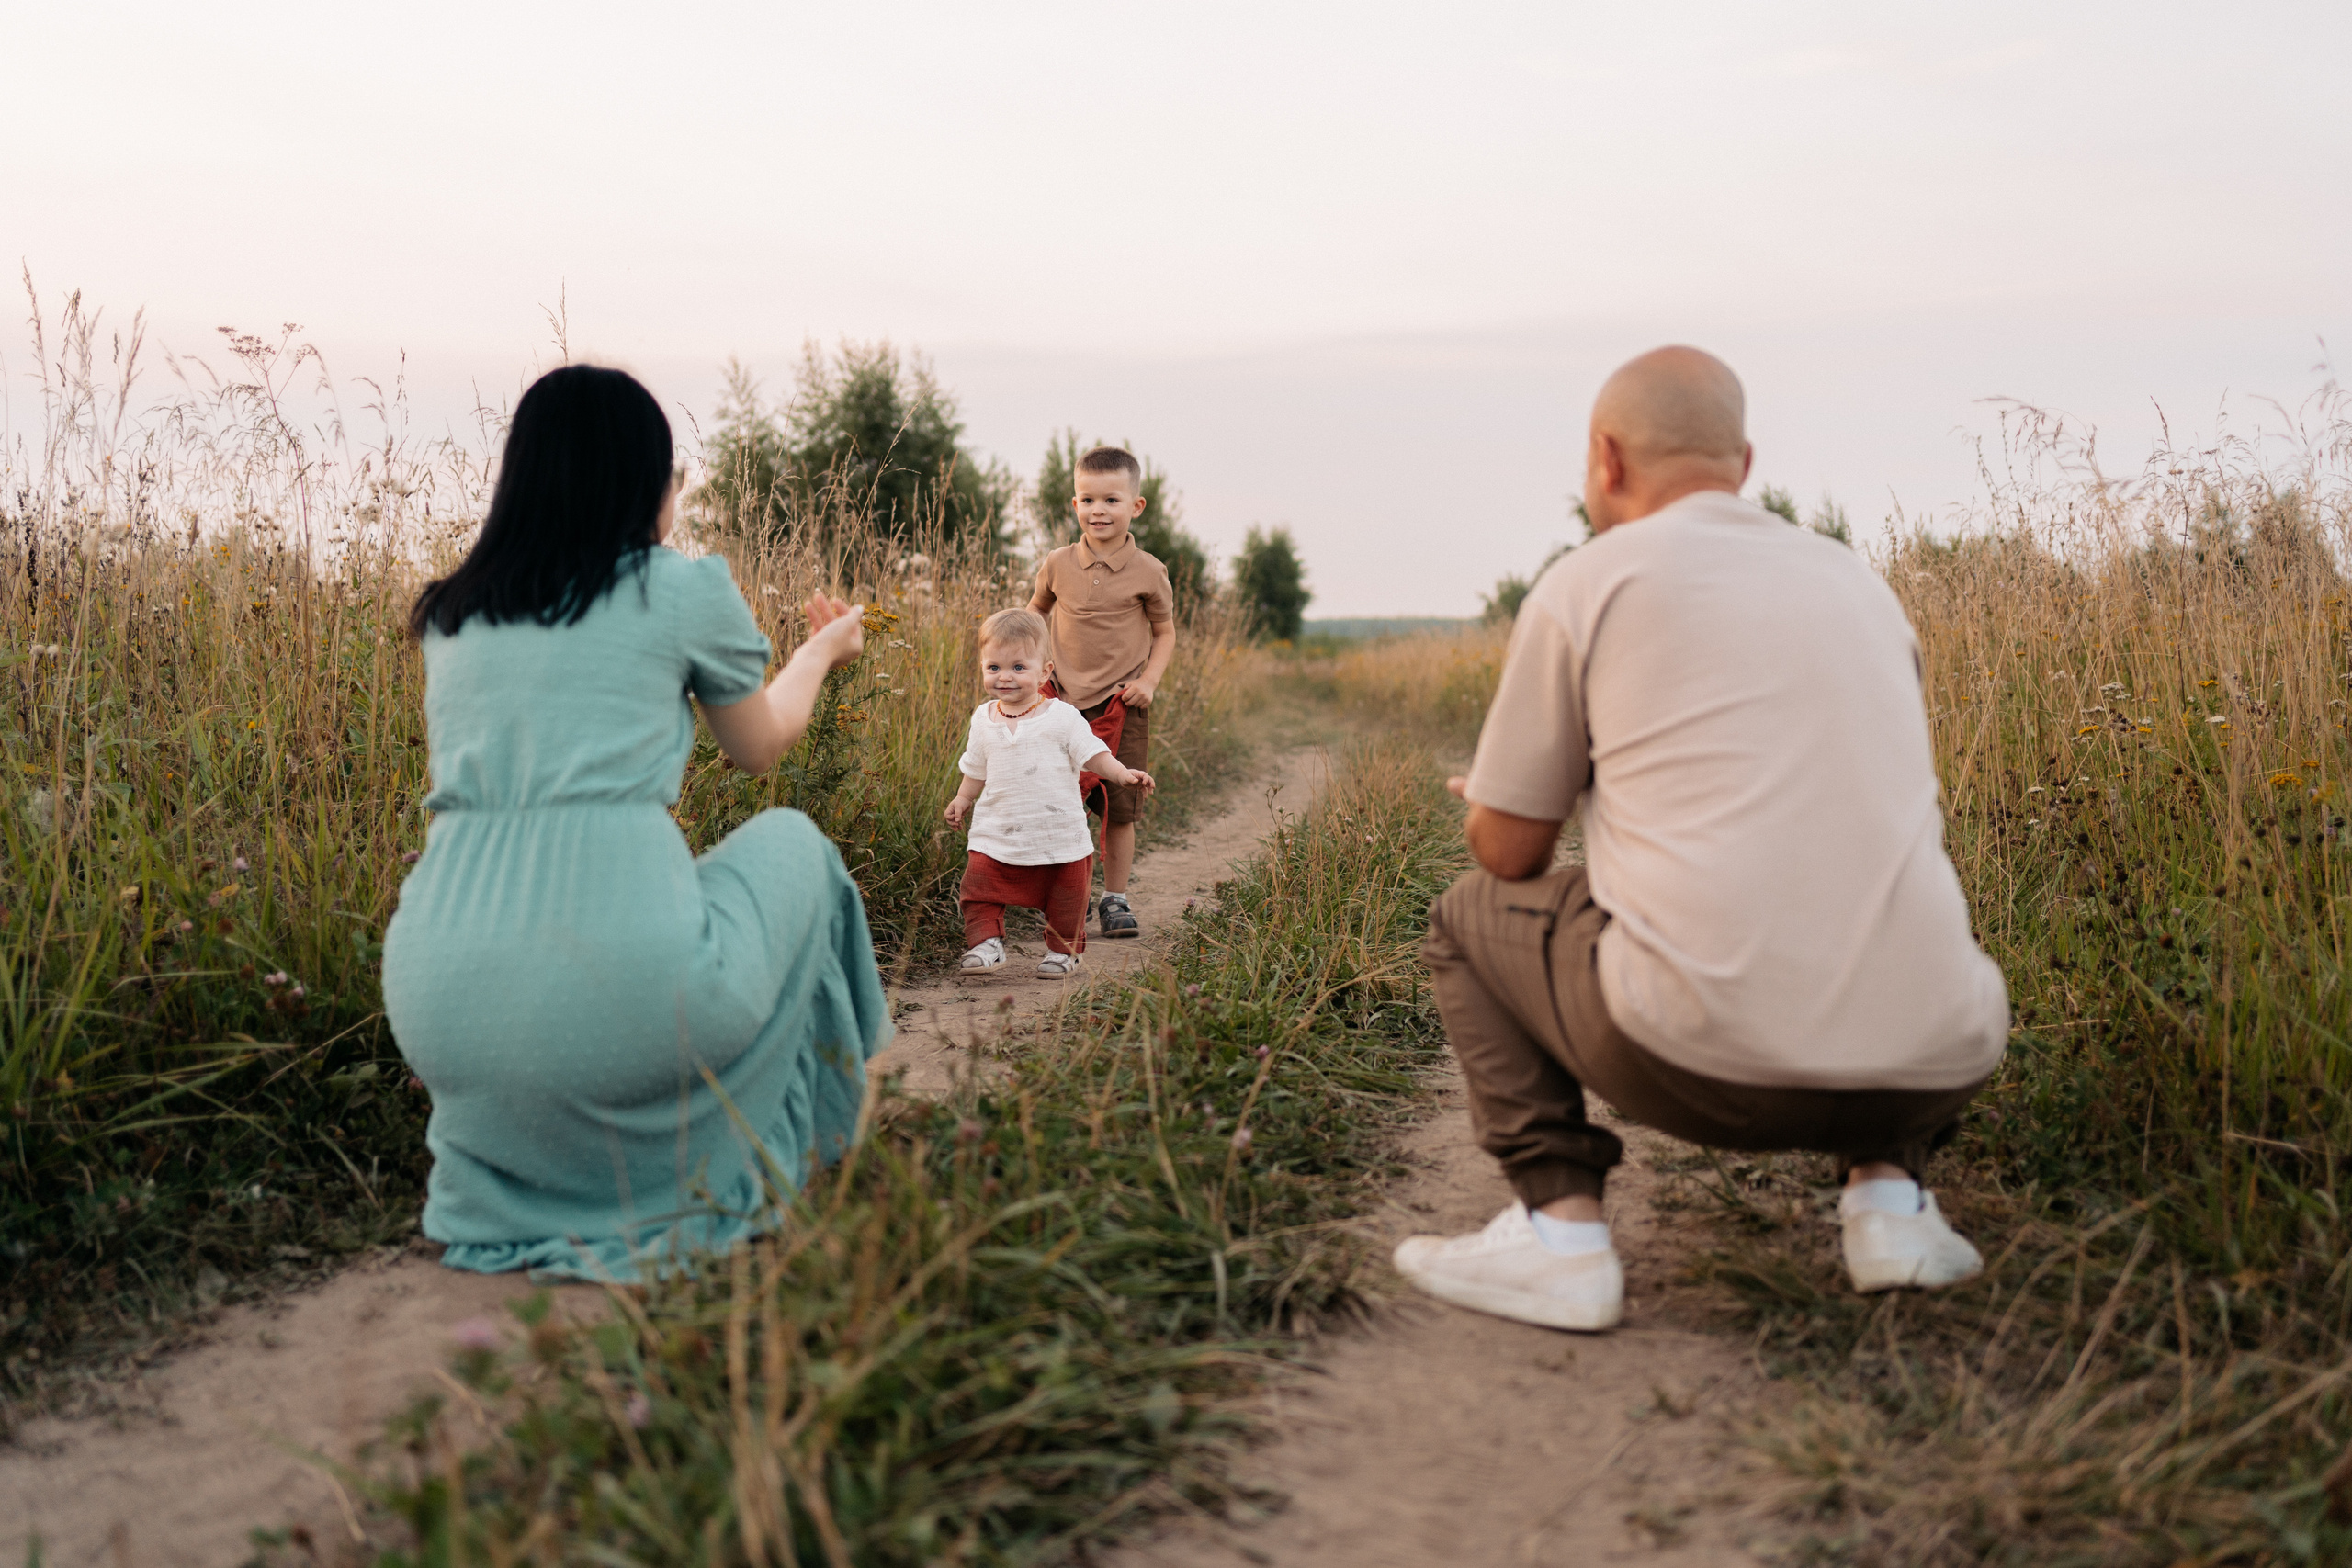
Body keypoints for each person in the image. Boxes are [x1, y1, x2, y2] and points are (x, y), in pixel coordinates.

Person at [1393, 346, 2009, 1333]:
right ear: (1744, 463)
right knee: (1870, 894)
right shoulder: (1858, 582)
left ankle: (1559, 1234)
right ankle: (1890, 1204)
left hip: (1701, 1065)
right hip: (1938, 1054)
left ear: (1605, 459)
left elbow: (1508, 856)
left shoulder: (1588, 581)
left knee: (1466, 919)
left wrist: (1538, 787)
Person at [382, 364, 892, 1280]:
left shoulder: (454, 614)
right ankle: (829, 1137)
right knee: (794, 849)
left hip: (438, 993)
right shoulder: (680, 589)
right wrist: (822, 649)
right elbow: (759, 746)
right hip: (626, 990)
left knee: (601, 962)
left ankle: (540, 1183)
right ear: (644, 483)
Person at [945, 608, 1157, 976]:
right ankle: (986, 944)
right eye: (993, 668)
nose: (1005, 677)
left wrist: (1123, 775)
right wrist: (963, 799)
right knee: (978, 885)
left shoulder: (1062, 716)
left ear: (1045, 671)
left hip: (1057, 831)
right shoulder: (983, 718)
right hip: (996, 830)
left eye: (1018, 668)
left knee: (1067, 895)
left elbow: (1095, 755)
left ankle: (1064, 951)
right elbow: (975, 768)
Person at [1028, 446, 1176, 939]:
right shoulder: (1057, 564)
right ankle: (1062, 895)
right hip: (1061, 705)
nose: (1098, 510)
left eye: (1111, 500)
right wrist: (1028, 674)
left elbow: (1166, 631)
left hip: (1121, 704)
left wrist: (1148, 682)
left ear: (1136, 506)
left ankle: (1115, 899)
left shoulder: (1149, 571)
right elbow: (1035, 614)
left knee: (1119, 803)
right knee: (1058, 800)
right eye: (1088, 500)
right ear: (1075, 506)